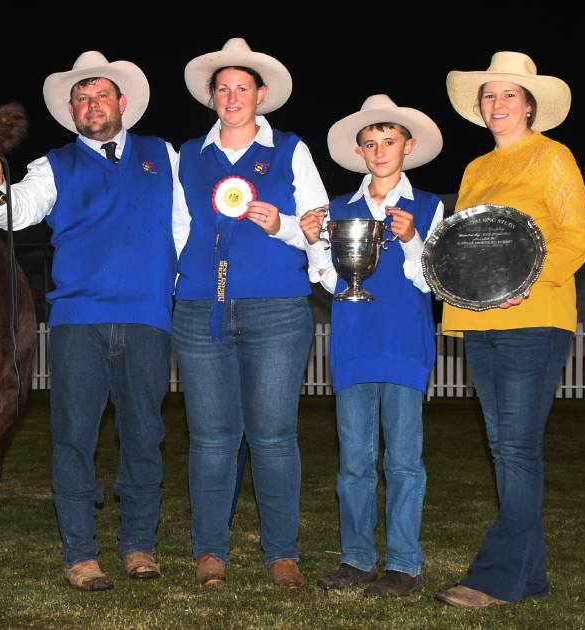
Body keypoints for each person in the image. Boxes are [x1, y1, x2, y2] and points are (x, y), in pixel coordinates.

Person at [0, 51, 184, 591]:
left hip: (147, 319)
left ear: (122, 103)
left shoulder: (164, 156)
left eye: (101, 96)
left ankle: (139, 546)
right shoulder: (54, 165)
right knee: (73, 438)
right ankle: (81, 554)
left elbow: (183, 231)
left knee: (144, 435)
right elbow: (14, 212)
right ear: (72, 111)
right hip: (78, 322)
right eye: (82, 99)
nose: (92, 105)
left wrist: (174, 290)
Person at [433, 51, 585, 607]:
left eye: (508, 96)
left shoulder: (552, 157)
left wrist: (530, 277)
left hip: (536, 317)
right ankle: (531, 580)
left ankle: (494, 578)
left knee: (517, 449)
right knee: (505, 450)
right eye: (489, 96)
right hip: (482, 321)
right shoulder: (476, 169)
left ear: (530, 106)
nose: (497, 104)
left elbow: (578, 236)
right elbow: (466, 243)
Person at [174, 37, 327, 588]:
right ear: (212, 97)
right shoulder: (189, 154)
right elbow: (178, 227)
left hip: (278, 310)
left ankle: (282, 554)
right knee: (210, 438)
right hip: (199, 309)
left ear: (261, 95)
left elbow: (318, 226)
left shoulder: (291, 149)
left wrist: (280, 224)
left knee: (273, 436)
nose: (232, 97)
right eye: (223, 89)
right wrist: (178, 282)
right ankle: (209, 552)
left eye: (242, 88)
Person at [300, 95, 444, 598]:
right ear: (359, 152)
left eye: (389, 141)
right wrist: (314, 240)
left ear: (409, 146)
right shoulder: (338, 210)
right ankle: (357, 559)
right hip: (354, 344)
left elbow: (432, 281)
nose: (380, 150)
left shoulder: (428, 206)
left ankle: (405, 564)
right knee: (354, 463)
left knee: (404, 461)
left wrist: (410, 239)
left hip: (405, 344)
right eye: (370, 143)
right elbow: (325, 280)